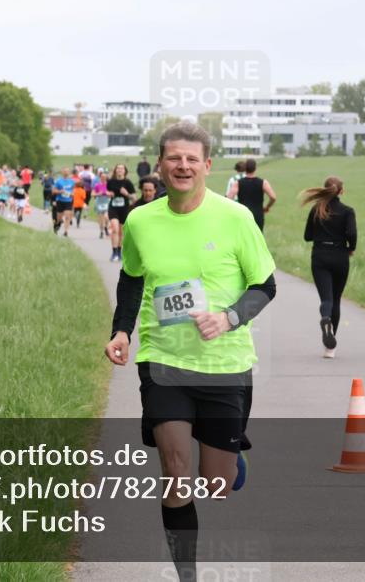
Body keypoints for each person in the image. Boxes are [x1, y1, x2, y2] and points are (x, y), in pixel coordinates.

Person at [104, 121, 276, 582]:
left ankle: (231, 453)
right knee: (176, 473)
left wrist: (228, 318)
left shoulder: (236, 217)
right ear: (160, 164)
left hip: (226, 364)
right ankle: (188, 576)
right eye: (174, 158)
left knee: (216, 485)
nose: (182, 166)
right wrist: (122, 331)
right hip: (163, 361)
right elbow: (132, 278)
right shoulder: (141, 220)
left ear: (207, 166)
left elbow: (266, 285)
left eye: (191, 159)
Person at [301, 177, 357, 358]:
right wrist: (351, 248)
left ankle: (325, 320)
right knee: (337, 299)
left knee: (326, 299)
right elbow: (352, 233)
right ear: (341, 191)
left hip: (319, 256)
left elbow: (307, 236)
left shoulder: (316, 209)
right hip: (340, 256)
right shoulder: (348, 211)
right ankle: (330, 348)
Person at [227, 159, 276, 231]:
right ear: (255, 168)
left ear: (245, 168)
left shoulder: (238, 183)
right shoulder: (263, 183)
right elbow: (273, 197)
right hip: (258, 215)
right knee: (258, 239)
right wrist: (267, 207)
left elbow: (228, 199)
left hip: (243, 215)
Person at [106, 163, 136, 262]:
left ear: (125, 171)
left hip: (124, 209)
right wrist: (109, 194)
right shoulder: (110, 182)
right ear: (115, 170)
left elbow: (134, 199)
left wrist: (127, 194)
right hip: (113, 208)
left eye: (121, 168)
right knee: (114, 229)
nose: (119, 170)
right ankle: (114, 252)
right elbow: (107, 192)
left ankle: (119, 252)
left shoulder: (128, 183)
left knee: (121, 232)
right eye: (118, 168)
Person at [52, 167, 75, 236]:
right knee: (59, 218)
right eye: (64, 171)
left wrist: (72, 194)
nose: (66, 172)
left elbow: (73, 190)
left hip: (68, 201)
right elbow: (53, 191)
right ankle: (57, 224)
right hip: (60, 201)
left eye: (67, 171)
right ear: (62, 172)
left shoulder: (72, 181)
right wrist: (59, 191)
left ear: (69, 172)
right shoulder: (58, 181)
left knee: (67, 216)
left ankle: (66, 231)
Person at [93, 172, 111, 239]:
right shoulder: (97, 185)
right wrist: (98, 194)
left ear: (106, 177)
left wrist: (108, 193)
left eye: (105, 177)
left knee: (106, 217)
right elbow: (93, 194)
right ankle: (101, 231)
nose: (103, 178)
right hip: (99, 202)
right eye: (102, 177)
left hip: (107, 202)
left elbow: (112, 193)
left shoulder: (109, 185)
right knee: (101, 218)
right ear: (100, 177)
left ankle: (106, 227)